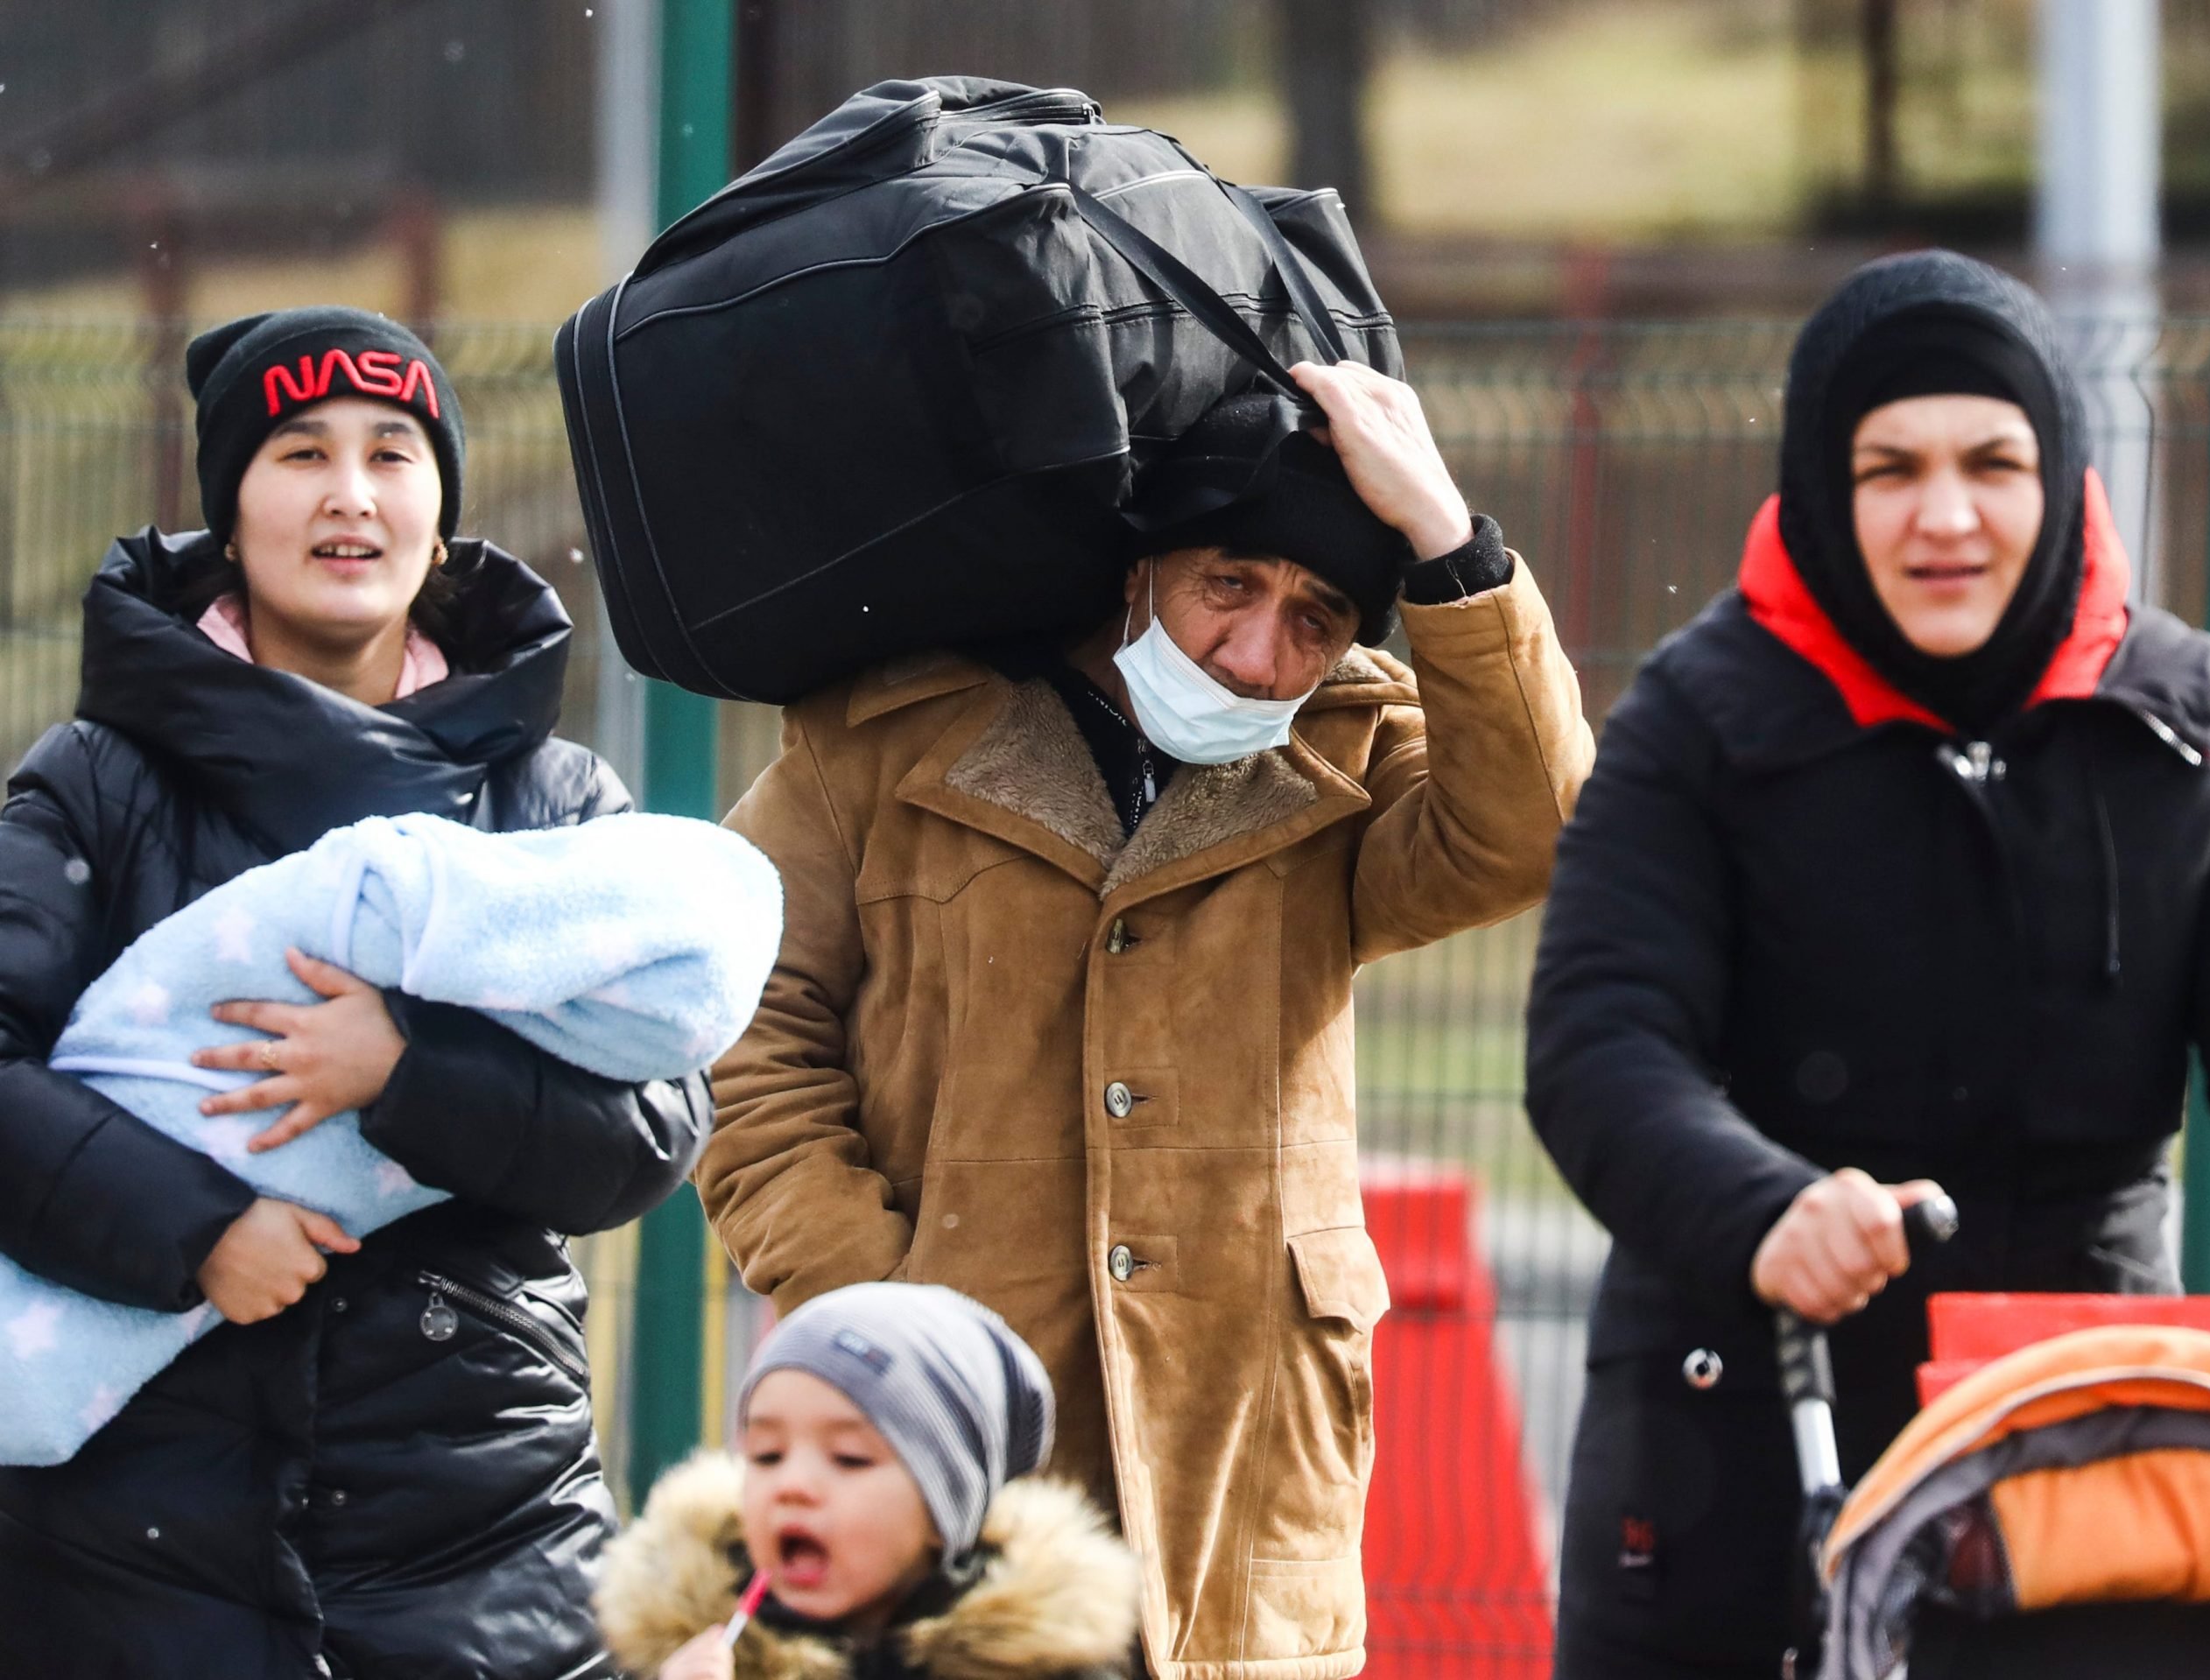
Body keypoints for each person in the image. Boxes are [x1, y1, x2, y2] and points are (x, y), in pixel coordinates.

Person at [697, 362, 1595, 1680]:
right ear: (1140, 568)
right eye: (1227, 583)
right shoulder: (885, 738)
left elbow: (1531, 831)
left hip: (1244, 1456)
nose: (1255, 649)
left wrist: (1452, 547)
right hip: (942, 1437)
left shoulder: (1350, 754)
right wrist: (876, 1297)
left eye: (1314, 615)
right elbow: (738, 1017)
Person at [1524, 249, 2210, 1678]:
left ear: (2064, 475)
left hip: (2072, 1436)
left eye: (1994, 459)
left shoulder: (2180, 716)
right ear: (1817, 483)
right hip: (1738, 1432)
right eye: (1890, 466)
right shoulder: (1697, 717)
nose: (1948, 515)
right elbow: (1600, 1037)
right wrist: (1766, 1205)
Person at [0, 306, 711, 1679]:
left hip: (489, 1538)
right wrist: (196, 1230)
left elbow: (655, 1126)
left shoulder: (552, 801)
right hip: (130, 1552)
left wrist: (404, 1074)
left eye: (394, 451)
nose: (350, 494)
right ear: (228, 510)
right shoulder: (96, 779)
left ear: (439, 512)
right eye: (298, 451)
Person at [595, 1282, 1140, 1680]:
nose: (793, 1485)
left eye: (849, 1459)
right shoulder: (692, 1656)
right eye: (766, 1455)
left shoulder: (1043, 1669)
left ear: (944, 1513)